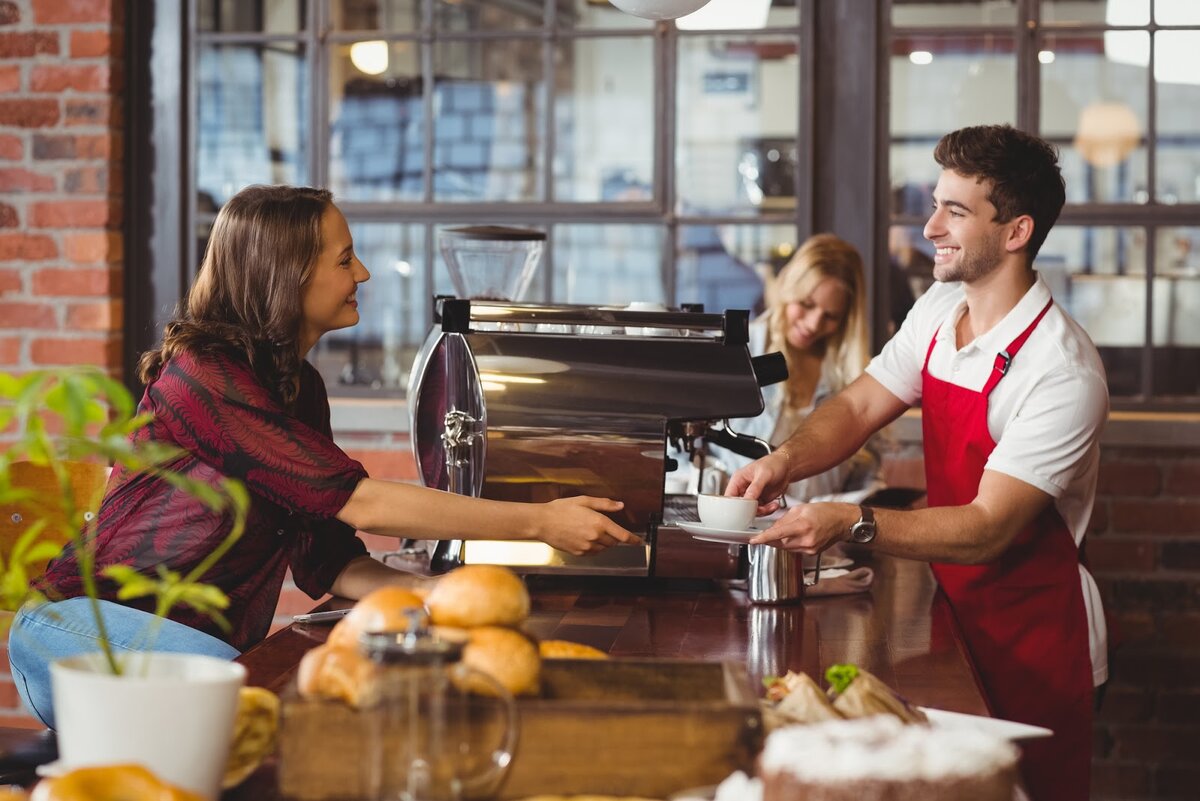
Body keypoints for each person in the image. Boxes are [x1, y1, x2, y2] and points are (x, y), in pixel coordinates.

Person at [9, 185, 637, 729]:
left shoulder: (298, 388)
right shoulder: (202, 373)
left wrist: (439, 597)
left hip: (201, 648)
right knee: (278, 711)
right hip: (74, 631)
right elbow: (358, 499)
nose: (362, 274)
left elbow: (327, 558)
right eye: (344, 259)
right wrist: (540, 522)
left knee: (318, 708)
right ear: (286, 276)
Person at [726, 125, 1108, 801]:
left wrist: (849, 520)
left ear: (1016, 232)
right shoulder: (939, 307)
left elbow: (989, 527)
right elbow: (859, 404)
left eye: (954, 211)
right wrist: (781, 461)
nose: (930, 226)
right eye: (936, 204)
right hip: (954, 608)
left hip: (1036, 636)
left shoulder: (1062, 370)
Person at [713, 233, 883, 508]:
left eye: (830, 316)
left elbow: (866, 477)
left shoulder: (852, 376)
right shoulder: (741, 354)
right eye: (806, 305)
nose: (814, 324)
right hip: (744, 519)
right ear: (787, 290)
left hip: (825, 534)